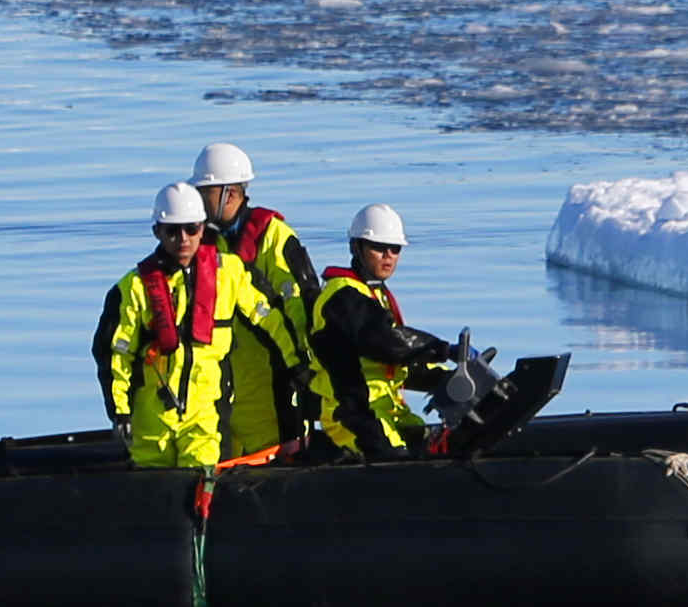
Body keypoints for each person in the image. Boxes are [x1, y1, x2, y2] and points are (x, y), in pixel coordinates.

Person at [98, 185, 310, 475]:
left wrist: (297, 365)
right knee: (152, 489)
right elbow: (115, 355)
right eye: (173, 231)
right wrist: (119, 410)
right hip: (151, 420)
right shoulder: (133, 288)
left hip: (204, 415)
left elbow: (270, 320)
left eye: (190, 229)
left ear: (202, 229)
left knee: (202, 482)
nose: (182, 239)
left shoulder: (230, 273)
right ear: (157, 232)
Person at [189, 142, 322, 460]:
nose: (199, 203)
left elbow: (300, 307)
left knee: (272, 455)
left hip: (272, 378)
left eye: (205, 193)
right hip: (225, 379)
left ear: (229, 193)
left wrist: (304, 369)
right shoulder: (202, 242)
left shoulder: (273, 237)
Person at [311, 203, 454, 455]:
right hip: (354, 414)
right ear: (357, 247)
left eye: (395, 249)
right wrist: (443, 349)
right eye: (378, 247)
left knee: (431, 443)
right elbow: (387, 343)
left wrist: (444, 379)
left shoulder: (375, 293)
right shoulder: (342, 295)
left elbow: (399, 363)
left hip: (387, 409)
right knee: (398, 460)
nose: (388, 255)